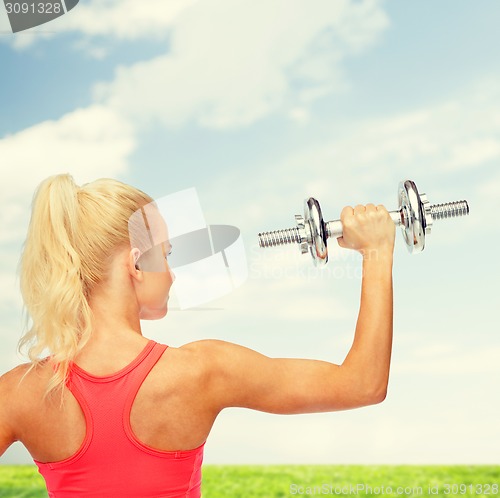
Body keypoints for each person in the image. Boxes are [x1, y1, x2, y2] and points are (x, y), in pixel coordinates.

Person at [0, 174, 395, 497]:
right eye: (167, 254)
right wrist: (376, 252)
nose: (171, 273)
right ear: (136, 265)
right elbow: (363, 384)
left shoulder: (21, 392)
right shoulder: (201, 371)